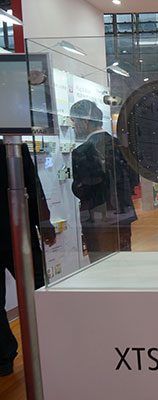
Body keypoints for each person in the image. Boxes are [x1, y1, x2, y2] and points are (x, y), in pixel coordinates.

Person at [0, 140, 55, 376]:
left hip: (18, 232)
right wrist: (44, 222)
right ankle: (54, 343)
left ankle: (6, 358)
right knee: (38, 289)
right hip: (16, 231)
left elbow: (32, 186)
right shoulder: (11, 146)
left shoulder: (12, 146)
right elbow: (33, 186)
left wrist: (44, 222)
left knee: (38, 290)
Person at [70, 100, 138, 263]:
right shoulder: (121, 146)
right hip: (123, 213)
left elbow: (82, 190)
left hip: (98, 218)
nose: (74, 126)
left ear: (85, 121)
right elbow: (134, 179)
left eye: (75, 121)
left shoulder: (82, 151)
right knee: (124, 261)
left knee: (101, 265)